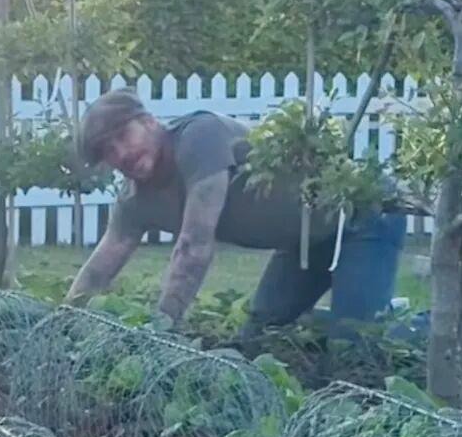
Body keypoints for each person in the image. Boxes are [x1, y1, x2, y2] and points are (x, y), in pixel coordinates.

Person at [66, 89, 408, 346]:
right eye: (108, 152)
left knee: (355, 344)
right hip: (302, 240)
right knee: (258, 337)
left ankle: (443, 322)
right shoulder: (134, 200)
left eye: (123, 137)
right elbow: (99, 269)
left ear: (149, 122)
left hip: (362, 215)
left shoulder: (199, 138)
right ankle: (355, 311)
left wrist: (162, 332)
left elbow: (193, 248)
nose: (121, 154)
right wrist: (61, 324)